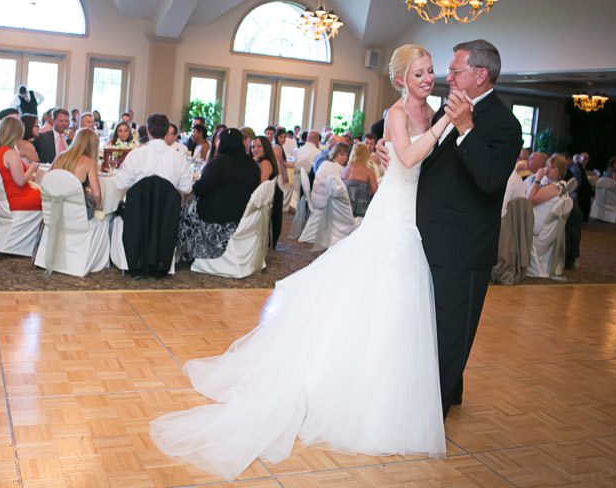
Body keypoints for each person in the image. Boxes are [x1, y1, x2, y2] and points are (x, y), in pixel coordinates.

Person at [150, 44, 453, 479]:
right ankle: (340, 389)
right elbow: (407, 156)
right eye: (420, 73)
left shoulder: (430, 112)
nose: (428, 78)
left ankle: (386, 393)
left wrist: (435, 128)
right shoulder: (400, 114)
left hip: (412, 211)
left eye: (431, 71)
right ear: (403, 78)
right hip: (396, 216)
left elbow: (416, 159)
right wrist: (441, 125)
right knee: (383, 289)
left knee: (397, 304)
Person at [380, 40, 521, 416]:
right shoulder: (448, 107)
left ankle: (433, 409)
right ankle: (445, 390)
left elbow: (491, 180)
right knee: (430, 322)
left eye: (455, 70)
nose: (446, 76)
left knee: (453, 329)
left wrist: (467, 129)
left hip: (463, 245)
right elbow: (425, 159)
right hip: (425, 235)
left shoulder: (504, 124)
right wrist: (390, 154)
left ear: (480, 75)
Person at [177, 128, 260, 261]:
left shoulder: (218, 163)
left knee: (185, 211)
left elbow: (200, 188)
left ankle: (187, 252)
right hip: (242, 217)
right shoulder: (251, 164)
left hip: (217, 219)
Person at [114, 114, 191, 194]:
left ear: (148, 130)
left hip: (139, 205)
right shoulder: (179, 158)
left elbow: (120, 184)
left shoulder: (135, 155)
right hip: (167, 205)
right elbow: (186, 188)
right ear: (167, 131)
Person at [0, 116, 41, 211]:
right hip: (15, 198)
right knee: (50, 198)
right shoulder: (10, 153)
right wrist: (31, 168)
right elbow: (20, 182)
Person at [50, 128, 102, 219]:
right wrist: (98, 207)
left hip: (56, 206)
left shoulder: (60, 156)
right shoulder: (89, 162)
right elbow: (96, 193)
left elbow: (47, 178)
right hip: (77, 210)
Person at [251, 136, 283, 249]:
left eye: (259, 146)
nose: (255, 149)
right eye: (253, 146)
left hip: (266, 200)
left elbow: (261, 186)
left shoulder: (265, 163)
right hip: (269, 197)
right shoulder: (260, 161)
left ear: (266, 148)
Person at [528, 155, 569, 236]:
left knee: (509, 217)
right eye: (547, 166)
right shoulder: (560, 185)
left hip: (536, 225)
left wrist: (538, 179)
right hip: (544, 223)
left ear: (560, 171)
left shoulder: (554, 187)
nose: (547, 169)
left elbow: (528, 201)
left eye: (552, 167)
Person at [342, 142, 378, 217]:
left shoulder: (344, 170)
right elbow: (376, 193)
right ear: (366, 155)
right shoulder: (368, 172)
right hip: (361, 211)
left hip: (344, 210)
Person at [311, 142, 349, 209]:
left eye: (346, 155)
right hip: (324, 202)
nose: (344, 158)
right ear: (335, 153)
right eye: (341, 154)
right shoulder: (335, 167)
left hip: (316, 198)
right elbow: (338, 189)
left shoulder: (326, 163)